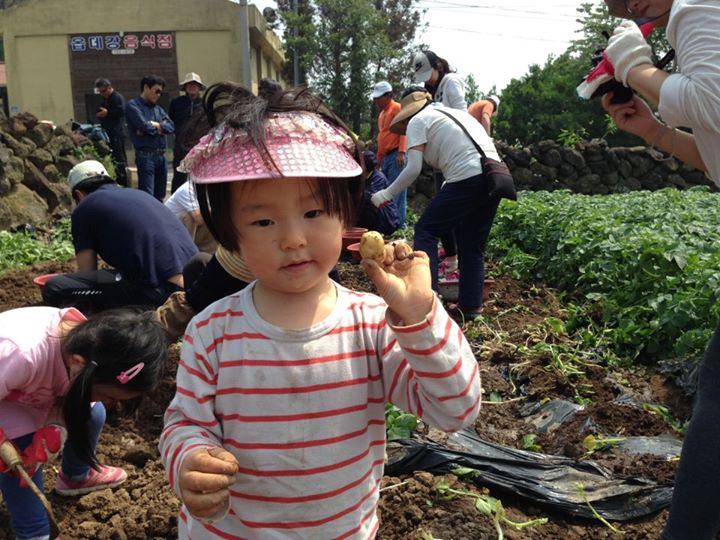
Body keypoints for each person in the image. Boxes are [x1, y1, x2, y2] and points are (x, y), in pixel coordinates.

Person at [158, 82, 481, 539]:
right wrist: (190, 460)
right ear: (232, 236)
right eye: (264, 221)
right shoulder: (211, 332)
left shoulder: (371, 324)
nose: (293, 238)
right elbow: (185, 422)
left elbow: (456, 410)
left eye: (313, 214)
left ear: (344, 219)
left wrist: (419, 315)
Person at [599, 1, 720, 539]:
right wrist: (653, 130)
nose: (626, 4)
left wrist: (635, 69)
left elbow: (712, 103)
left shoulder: (694, 7)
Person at [0, 307, 168, 540]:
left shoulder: (94, 349)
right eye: (110, 396)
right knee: (20, 454)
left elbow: (62, 392)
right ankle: (34, 532)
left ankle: (75, 475)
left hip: (30, 393)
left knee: (94, 412)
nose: (113, 405)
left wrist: (55, 423)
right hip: (7, 400)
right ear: (78, 363)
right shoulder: (21, 352)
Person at [371, 87, 501, 319]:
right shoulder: (455, 115)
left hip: (468, 176)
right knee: (472, 244)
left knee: (426, 230)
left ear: (410, 112)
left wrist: (385, 194)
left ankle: (426, 303)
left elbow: (413, 169)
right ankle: (471, 307)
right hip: (496, 175)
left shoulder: (418, 120)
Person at [42, 160, 198, 313]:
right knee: (112, 277)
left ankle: (88, 321)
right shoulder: (137, 194)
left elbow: (86, 271)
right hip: (195, 284)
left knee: (55, 287)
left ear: (78, 194)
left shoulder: (84, 207)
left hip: (163, 292)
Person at [412, 50, 468, 279]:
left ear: (438, 65)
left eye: (428, 73)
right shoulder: (433, 92)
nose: (427, 79)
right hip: (442, 162)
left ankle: (455, 261)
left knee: (449, 211)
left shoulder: (451, 82)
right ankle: (452, 255)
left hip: (455, 157)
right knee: (443, 209)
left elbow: (462, 114)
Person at [125, 75, 175, 201]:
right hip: (146, 156)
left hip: (161, 156)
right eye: (156, 91)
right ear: (146, 88)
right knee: (147, 196)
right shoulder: (133, 105)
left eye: (160, 92)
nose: (158, 95)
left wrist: (156, 125)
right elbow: (144, 126)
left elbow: (171, 127)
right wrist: (159, 128)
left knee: (160, 195)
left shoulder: (158, 109)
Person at [371, 81, 408, 228]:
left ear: (389, 95)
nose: (377, 101)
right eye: (376, 98)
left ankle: (398, 225)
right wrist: (378, 161)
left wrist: (402, 151)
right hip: (386, 157)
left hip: (396, 155)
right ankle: (391, 222)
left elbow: (404, 130)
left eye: (379, 98)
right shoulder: (382, 114)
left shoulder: (397, 108)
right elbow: (382, 136)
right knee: (387, 190)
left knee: (396, 190)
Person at [169, 72, 206, 194]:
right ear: (185, 87)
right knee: (179, 176)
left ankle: (200, 205)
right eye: (189, 84)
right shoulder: (176, 103)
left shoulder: (204, 104)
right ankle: (174, 206)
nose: (192, 86)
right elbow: (170, 122)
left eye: (195, 84)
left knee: (199, 176)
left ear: (199, 87)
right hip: (180, 145)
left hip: (199, 146)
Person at [165, 179, 218, 253]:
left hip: (190, 230)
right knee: (190, 217)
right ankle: (186, 251)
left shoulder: (210, 189)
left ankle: (206, 252)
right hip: (170, 232)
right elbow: (198, 218)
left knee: (216, 219)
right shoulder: (187, 189)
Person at [356, 149, 401, 235]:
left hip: (384, 219)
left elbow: (370, 199)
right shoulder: (361, 177)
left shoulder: (378, 178)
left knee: (366, 199)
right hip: (369, 215)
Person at [94, 78, 128, 187]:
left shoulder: (117, 97)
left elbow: (121, 111)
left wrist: (108, 113)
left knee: (119, 158)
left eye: (103, 91)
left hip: (116, 132)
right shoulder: (105, 99)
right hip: (107, 131)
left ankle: (123, 180)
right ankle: (116, 178)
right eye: (100, 92)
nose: (102, 94)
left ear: (109, 87)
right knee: (112, 157)